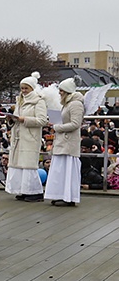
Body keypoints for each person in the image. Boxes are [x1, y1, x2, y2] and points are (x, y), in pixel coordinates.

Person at [6, 71, 47, 202]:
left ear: (32, 88)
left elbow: (42, 120)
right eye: (22, 88)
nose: (23, 91)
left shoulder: (38, 101)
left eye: (26, 88)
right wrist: (11, 119)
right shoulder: (20, 101)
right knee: (18, 164)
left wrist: (24, 119)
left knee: (28, 165)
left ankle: (34, 191)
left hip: (30, 137)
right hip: (18, 136)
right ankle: (22, 190)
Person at [44, 78, 84, 206]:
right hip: (63, 141)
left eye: (61, 90)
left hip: (69, 142)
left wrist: (56, 127)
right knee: (60, 171)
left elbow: (76, 124)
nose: (59, 92)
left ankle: (68, 196)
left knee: (67, 170)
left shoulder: (75, 104)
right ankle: (61, 194)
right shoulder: (68, 104)